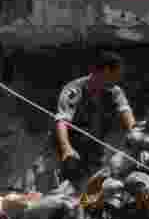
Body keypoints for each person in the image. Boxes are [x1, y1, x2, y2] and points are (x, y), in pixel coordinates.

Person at [54, 50, 135, 189]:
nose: (119, 77)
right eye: (117, 73)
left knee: (94, 191)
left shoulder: (115, 92)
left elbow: (126, 113)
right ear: (106, 70)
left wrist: (136, 135)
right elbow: (62, 121)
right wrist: (66, 148)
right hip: (71, 149)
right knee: (66, 190)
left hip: (95, 151)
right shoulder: (74, 90)